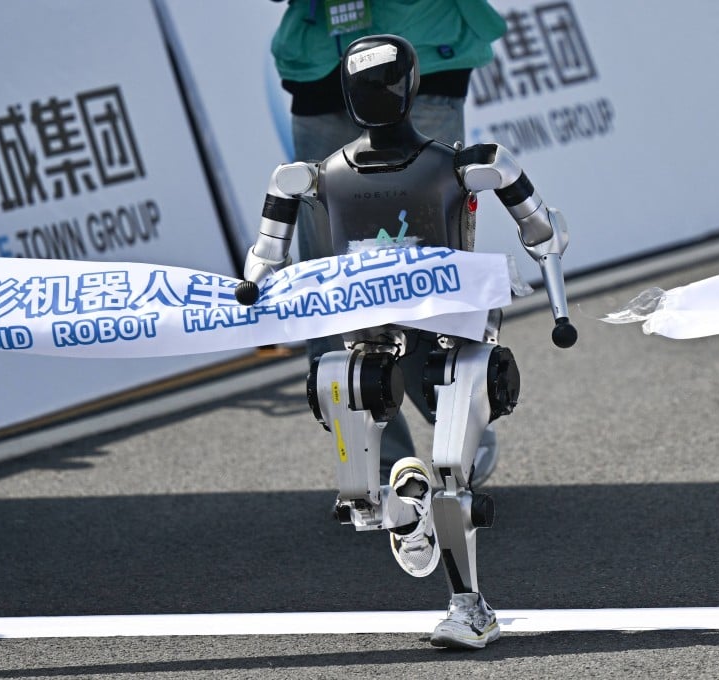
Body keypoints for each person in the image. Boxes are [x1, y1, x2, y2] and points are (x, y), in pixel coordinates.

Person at [237, 33, 575, 649]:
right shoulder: (319, 176)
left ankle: (469, 606)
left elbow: (543, 230)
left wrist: (553, 297)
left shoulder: (463, 164)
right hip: (365, 334)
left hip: (454, 337)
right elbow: (265, 250)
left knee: (453, 469)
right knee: (357, 484)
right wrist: (251, 288)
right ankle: (405, 510)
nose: (379, 97)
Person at [269, 0, 507, 484]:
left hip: (423, 57)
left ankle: (458, 426)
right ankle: (383, 465)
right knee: (329, 281)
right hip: (321, 69)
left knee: (425, 270)